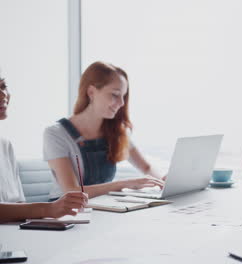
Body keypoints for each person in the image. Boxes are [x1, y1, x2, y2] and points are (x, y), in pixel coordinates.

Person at [43, 62, 164, 200]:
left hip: (103, 207)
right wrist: (126, 184)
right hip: (68, 213)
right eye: (115, 95)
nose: (122, 103)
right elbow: (71, 191)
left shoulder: (116, 132)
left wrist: (162, 181)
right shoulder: (55, 134)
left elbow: (147, 168)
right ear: (91, 92)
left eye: (123, 96)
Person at [0, 75, 88, 223]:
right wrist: (50, 209)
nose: (3, 94)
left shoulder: (5, 145)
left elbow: (19, 205)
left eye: (3, 86)